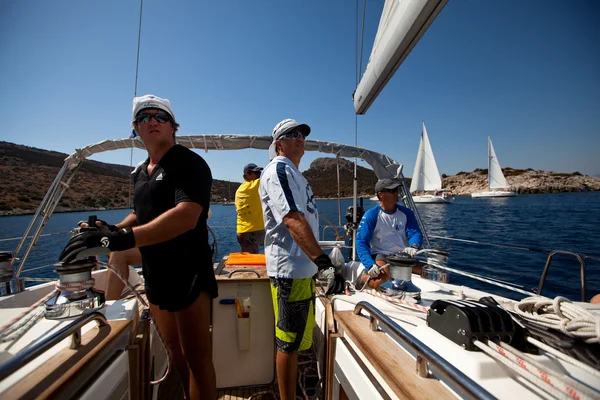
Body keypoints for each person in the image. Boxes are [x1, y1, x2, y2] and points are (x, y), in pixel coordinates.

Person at [59, 94, 217, 400]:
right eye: (145, 117)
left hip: (188, 271)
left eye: (161, 116)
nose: (153, 121)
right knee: (175, 351)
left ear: (174, 126)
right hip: (154, 269)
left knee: (197, 358)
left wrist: (121, 240)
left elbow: (187, 215)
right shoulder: (141, 171)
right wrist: (111, 229)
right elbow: (140, 212)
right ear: (136, 128)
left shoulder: (189, 163)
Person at [260, 118, 344, 400]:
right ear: (278, 144)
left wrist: (316, 265)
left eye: (302, 135)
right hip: (289, 272)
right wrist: (324, 262)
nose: (300, 138)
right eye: (292, 134)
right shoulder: (278, 171)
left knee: (295, 342)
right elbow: (292, 219)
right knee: (287, 344)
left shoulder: (297, 175)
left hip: (302, 272)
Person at [356, 178, 423, 289]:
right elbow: (361, 242)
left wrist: (414, 246)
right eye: (392, 191)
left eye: (397, 190)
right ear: (380, 194)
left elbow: (414, 232)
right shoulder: (371, 215)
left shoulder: (407, 213)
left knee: (432, 272)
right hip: (381, 254)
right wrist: (370, 265)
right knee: (382, 283)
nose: (397, 193)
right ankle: (364, 278)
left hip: (403, 256)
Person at [235, 163, 266, 253]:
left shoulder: (239, 190)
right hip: (258, 231)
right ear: (247, 175)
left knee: (251, 264)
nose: (259, 175)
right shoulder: (256, 184)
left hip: (243, 232)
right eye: (256, 173)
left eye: (259, 172)